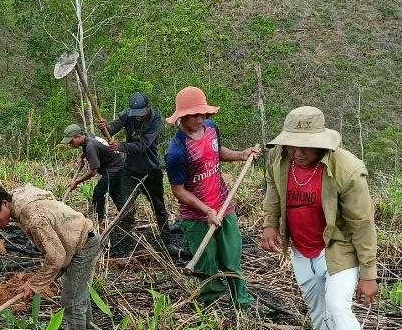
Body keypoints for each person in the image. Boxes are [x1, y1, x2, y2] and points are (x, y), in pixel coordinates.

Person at [261, 106, 379, 330]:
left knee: (338, 309)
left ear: (321, 143)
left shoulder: (348, 171)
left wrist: (368, 274)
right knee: (318, 311)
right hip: (302, 248)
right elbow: (273, 191)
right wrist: (270, 223)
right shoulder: (279, 158)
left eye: (306, 146)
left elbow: (362, 224)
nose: (297, 151)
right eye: (292, 144)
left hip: (338, 248)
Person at [0, 180, 102, 330]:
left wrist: (33, 284)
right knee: (77, 293)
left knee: (72, 301)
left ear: (4, 203)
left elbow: (56, 257)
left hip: (83, 244)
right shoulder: (16, 198)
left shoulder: (33, 217)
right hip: (72, 241)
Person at [164, 87, 259, 308]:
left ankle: (242, 302)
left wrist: (239, 155)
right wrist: (206, 210)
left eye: (203, 113)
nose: (200, 118)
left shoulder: (210, 128)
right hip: (197, 217)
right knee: (206, 263)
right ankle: (209, 305)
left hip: (224, 205)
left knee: (232, 258)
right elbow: (178, 190)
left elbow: (216, 152)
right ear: (182, 116)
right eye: (194, 115)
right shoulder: (176, 151)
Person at [98, 92, 170, 238]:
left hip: (151, 170)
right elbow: (111, 129)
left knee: (159, 207)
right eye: (135, 113)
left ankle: (166, 240)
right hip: (130, 170)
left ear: (148, 107)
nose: (137, 116)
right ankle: (128, 240)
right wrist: (104, 126)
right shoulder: (128, 114)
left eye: (140, 113)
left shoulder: (156, 120)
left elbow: (143, 145)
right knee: (126, 208)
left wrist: (122, 146)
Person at [61, 123, 130, 235]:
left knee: (98, 192)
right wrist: (81, 157)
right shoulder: (88, 138)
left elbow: (93, 171)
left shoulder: (90, 146)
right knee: (113, 192)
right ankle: (127, 216)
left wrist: (77, 182)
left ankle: (99, 221)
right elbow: (89, 148)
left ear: (78, 136)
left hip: (116, 168)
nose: (70, 144)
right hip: (116, 164)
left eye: (71, 141)